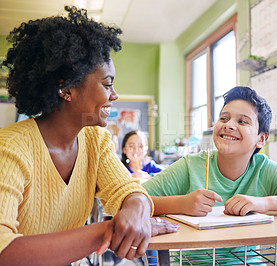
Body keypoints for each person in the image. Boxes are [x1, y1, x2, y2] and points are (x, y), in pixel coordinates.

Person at [0, 6, 178, 265]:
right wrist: (106, 230)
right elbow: (4, 251)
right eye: (107, 84)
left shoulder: (96, 141)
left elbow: (125, 190)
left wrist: (136, 206)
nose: (114, 95)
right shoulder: (10, 149)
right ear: (67, 88)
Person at [142, 86, 277, 265]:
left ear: (261, 139)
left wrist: (264, 203)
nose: (229, 125)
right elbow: (131, 200)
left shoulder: (263, 169)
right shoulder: (190, 166)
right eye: (223, 118)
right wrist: (181, 204)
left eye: (242, 121)